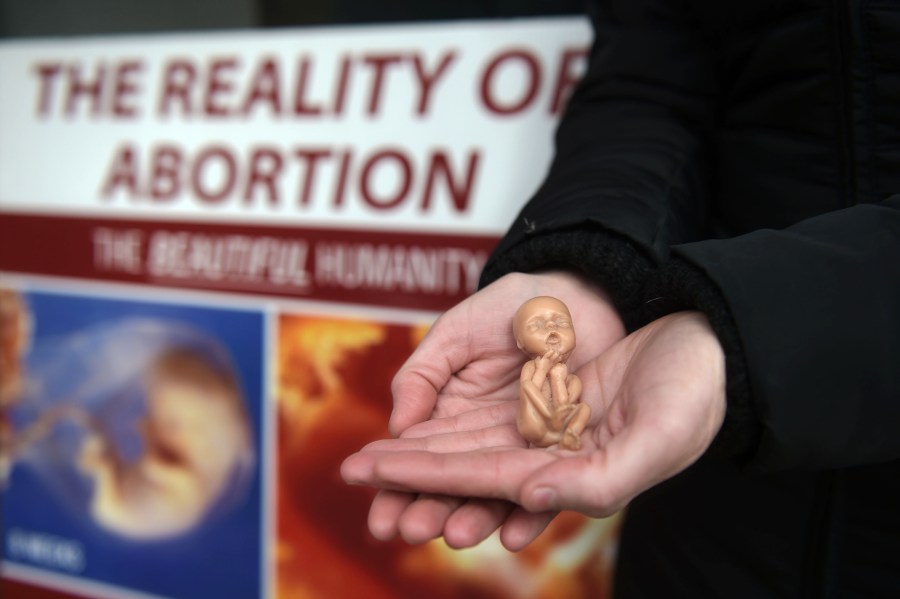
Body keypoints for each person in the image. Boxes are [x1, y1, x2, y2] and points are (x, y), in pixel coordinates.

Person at [342, 0, 900, 595]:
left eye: (556, 325)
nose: (555, 335)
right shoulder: (546, 370)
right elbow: (649, 88)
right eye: (545, 328)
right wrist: (587, 260)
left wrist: (747, 333)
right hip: (705, 493)